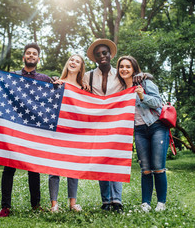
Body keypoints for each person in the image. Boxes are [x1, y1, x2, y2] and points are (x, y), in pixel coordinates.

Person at [0, 43, 51, 217]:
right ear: (24, 57)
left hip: (35, 130)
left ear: (38, 58)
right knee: (8, 168)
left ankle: (36, 205)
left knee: (34, 169)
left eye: (34, 54)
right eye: (28, 53)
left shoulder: (45, 79)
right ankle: (6, 207)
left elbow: (54, 100)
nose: (31, 55)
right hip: (14, 128)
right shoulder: (11, 77)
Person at [116, 55, 169, 212]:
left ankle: (161, 203)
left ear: (133, 68)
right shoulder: (120, 89)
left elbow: (158, 102)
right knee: (145, 168)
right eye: (121, 67)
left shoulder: (145, 82)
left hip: (156, 126)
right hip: (139, 130)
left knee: (158, 166)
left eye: (128, 66)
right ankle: (145, 203)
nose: (124, 69)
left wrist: (142, 96)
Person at [83, 39, 124, 213]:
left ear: (110, 54)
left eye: (104, 53)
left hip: (117, 122)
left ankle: (117, 200)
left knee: (115, 159)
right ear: (95, 58)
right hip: (97, 124)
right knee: (102, 161)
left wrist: (146, 76)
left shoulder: (120, 74)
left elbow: (135, 82)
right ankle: (106, 201)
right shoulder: (89, 76)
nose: (102, 56)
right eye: (98, 54)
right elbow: (76, 90)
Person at [49, 54, 85, 212]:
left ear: (80, 67)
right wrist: (54, 88)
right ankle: (54, 204)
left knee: (73, 168)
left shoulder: (83, 88)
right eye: (71, 60)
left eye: (77, 61)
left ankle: (72, 203)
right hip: (58, 129)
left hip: (75, 131)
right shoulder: (58, 82)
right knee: (54, 168)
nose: (73, 62)